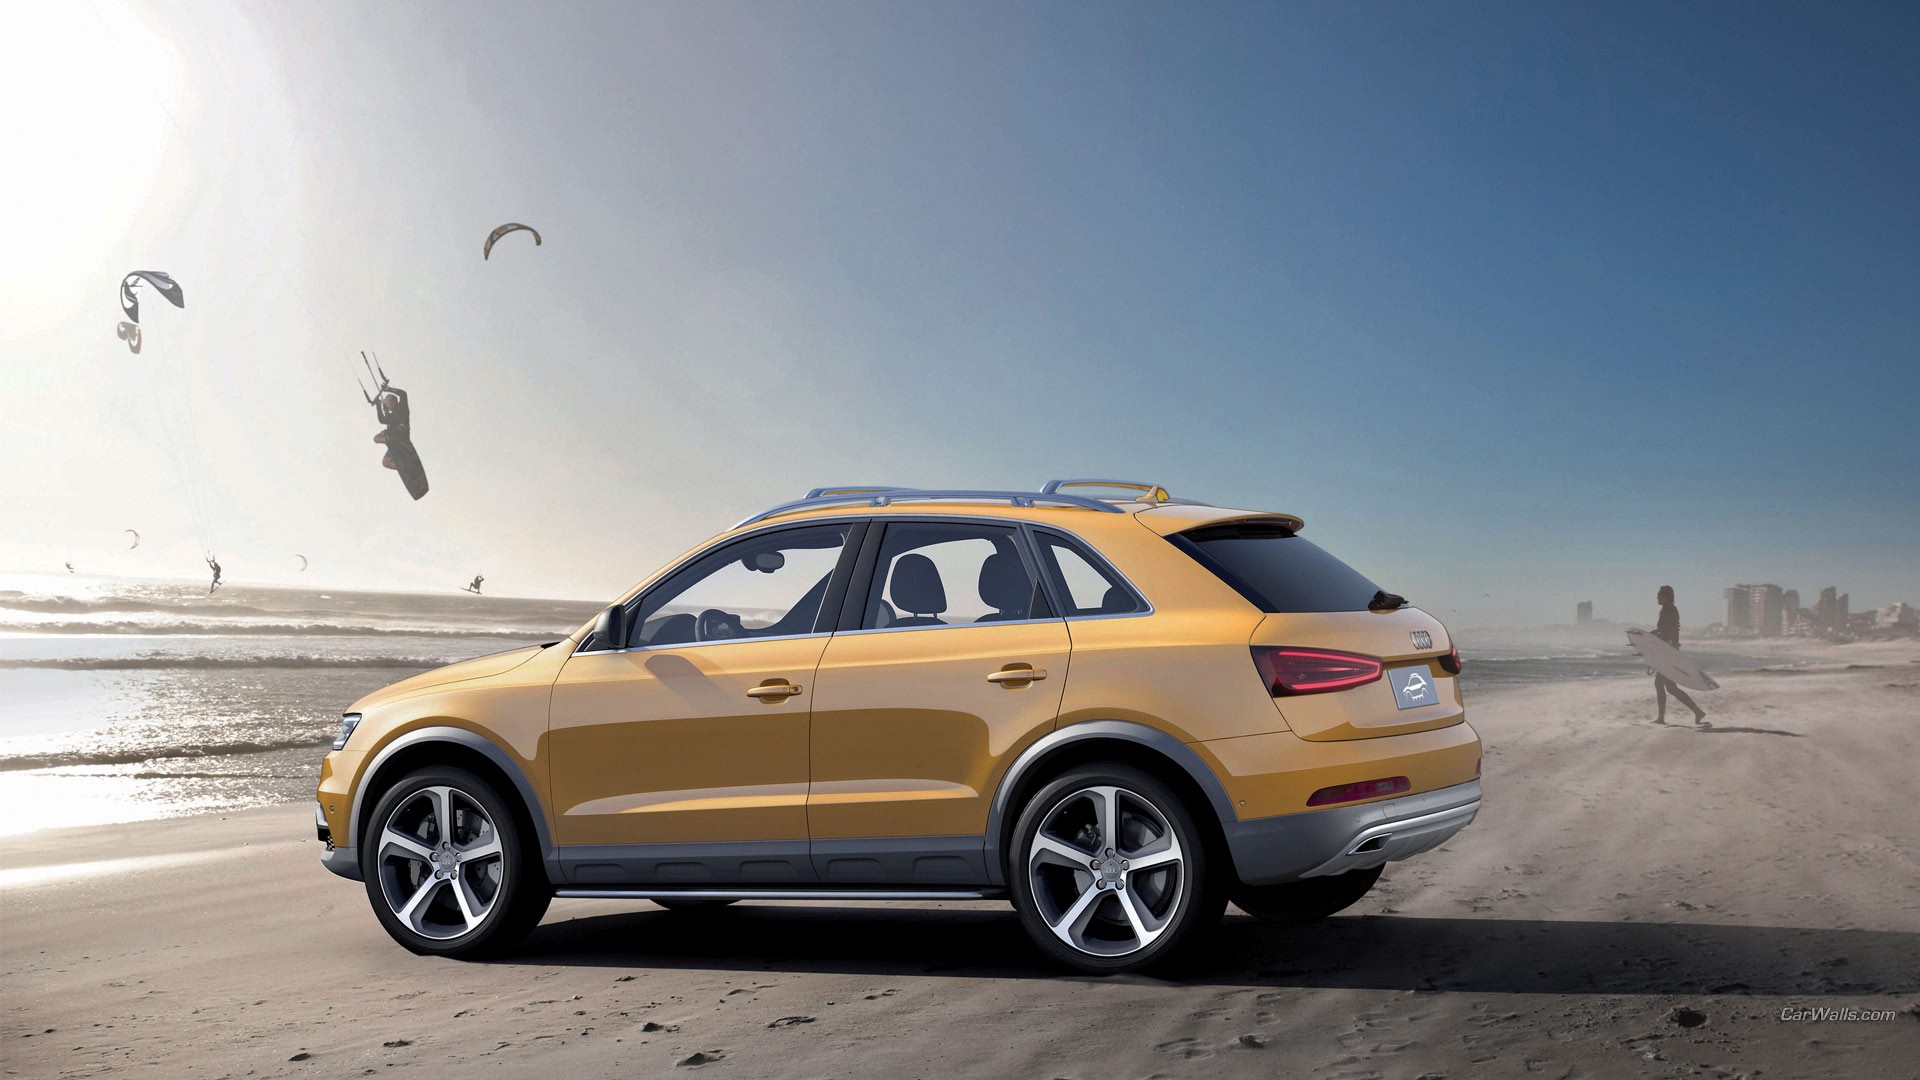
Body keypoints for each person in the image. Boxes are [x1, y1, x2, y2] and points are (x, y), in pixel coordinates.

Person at [1651, 585, 1706, 726]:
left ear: (1666, 596)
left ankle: (1661, 718)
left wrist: (1669, 647)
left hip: (1668, 653)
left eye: (1659, 594)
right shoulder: (1668, 610)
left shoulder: (1669, 610)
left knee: (1659, 683)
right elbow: (1664, 630)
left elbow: (1671, 631)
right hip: (1669, 651)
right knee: (1670, 687)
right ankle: (1697, 711)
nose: (1657, 597)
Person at [372, 385, 410, 471]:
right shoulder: (391, 416)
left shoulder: (402, 406)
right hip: (394, 442)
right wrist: (379, 406)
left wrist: (388, 389)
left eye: (386, 401)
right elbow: (383, 420)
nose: (385, 403)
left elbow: (403, 394)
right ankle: (405, 467)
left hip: (401, 436)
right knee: (386, 462)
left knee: (377, 438)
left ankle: (402, 456)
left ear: (392, 400)